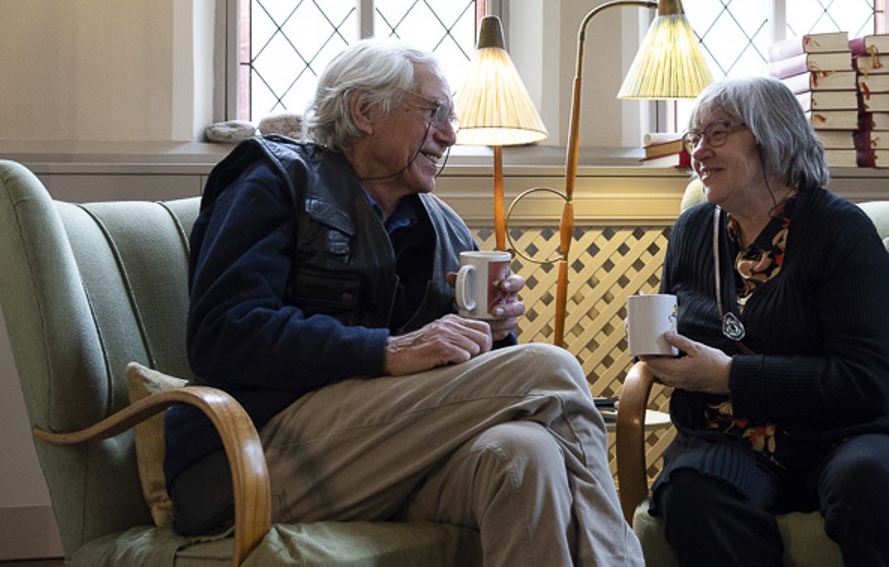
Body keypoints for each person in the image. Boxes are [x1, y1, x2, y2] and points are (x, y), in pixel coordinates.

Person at [162, 38, 643, 567]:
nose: (450, 134)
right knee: (550, 367)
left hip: (381, 456)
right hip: (253, 455)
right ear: (363, 110)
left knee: (526, 457)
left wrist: (495, 331)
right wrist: (388, 351)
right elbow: (222, 332)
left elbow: (455, 375)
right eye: (434, 112)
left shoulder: (437, 225)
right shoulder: (275, 180)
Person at [643, 76, 889, 566]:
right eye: (694, 138)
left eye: (718, 133)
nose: (699, 152)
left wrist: (729, 376)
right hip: (730, 436)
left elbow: (870, 380)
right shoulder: (694, 229)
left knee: (872, 480)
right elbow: (676, 328)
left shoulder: (841, 232)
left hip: (846, 432)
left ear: (773, 137)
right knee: (694, 492)